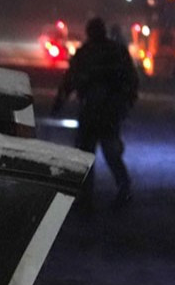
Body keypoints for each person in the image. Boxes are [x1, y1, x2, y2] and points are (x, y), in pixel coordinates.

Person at [52, 16, 139, 210]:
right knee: (111, 153)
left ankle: (86, 196)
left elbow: (70, 80)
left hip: (92, 111)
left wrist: (59, 101)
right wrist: (126, 103)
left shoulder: (86, 53)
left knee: (86, 155)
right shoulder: (117, 52)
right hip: (109, 113)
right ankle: (123, 189)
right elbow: (131, 80)